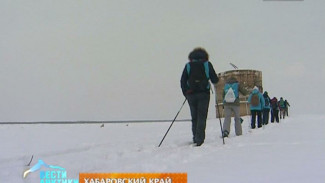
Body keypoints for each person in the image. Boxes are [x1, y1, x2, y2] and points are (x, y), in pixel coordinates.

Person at [180, 47, 219, 146]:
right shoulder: (207, 64)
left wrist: (186, 93)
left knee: (194, 117)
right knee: (202, 116)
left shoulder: (188, 66)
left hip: (191, 94)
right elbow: (215, 79)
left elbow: (183, 80)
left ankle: (195, 137)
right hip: (204, 94)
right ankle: (199, 139)